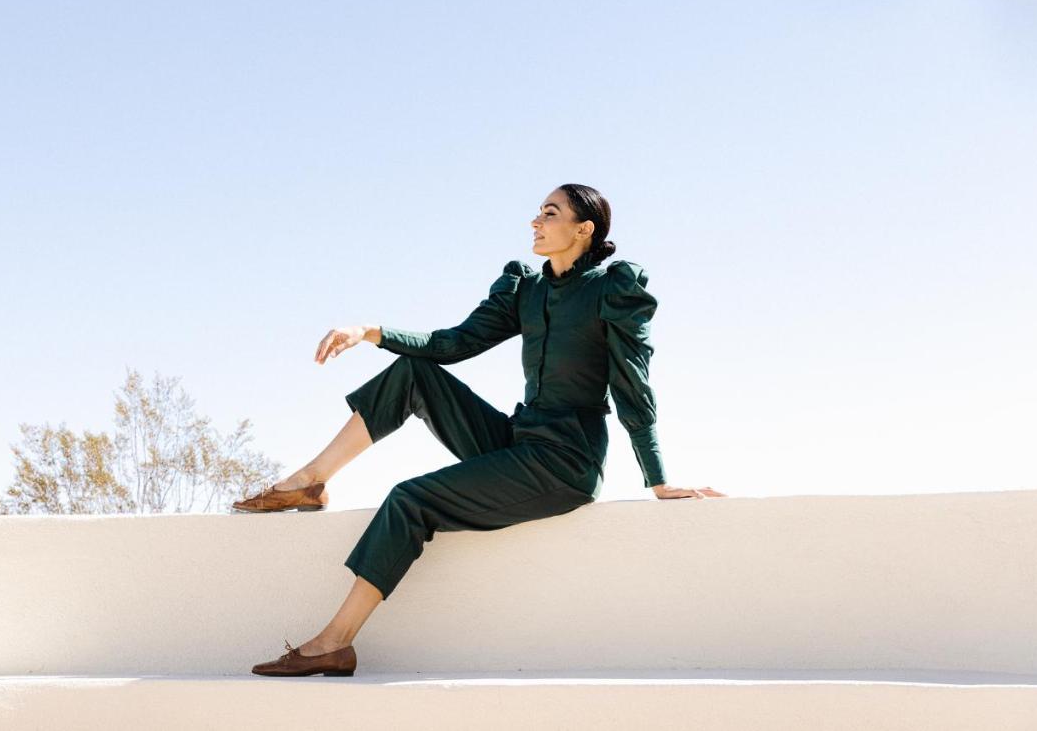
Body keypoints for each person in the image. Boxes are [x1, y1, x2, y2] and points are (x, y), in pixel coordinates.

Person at [237, 183, 726, 677]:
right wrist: (368, 332)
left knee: (410, 498)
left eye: (549, 214)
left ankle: (333, 643)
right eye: (537, 213)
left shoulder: (611, 289)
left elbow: (632, 386)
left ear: (584, 230)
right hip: (519, 440)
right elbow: (453, 344)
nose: (535, 222)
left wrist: (658, 478)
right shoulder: (527, 291)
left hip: (565, 461)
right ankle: (310, 481)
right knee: (414, 372)